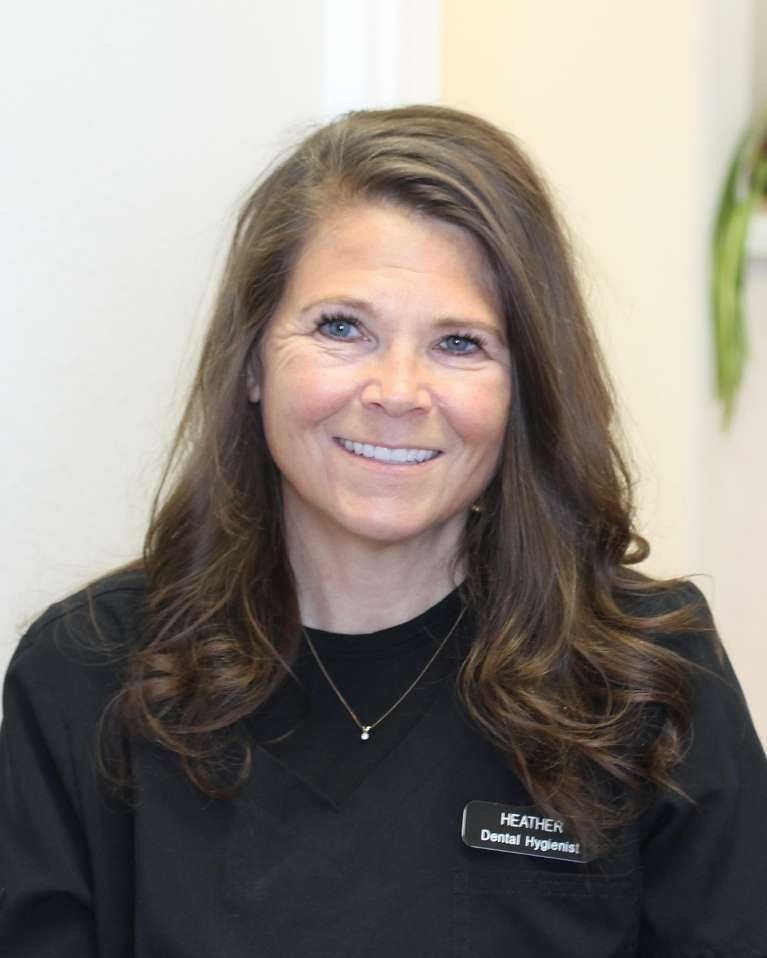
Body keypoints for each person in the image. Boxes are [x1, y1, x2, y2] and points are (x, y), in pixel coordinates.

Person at [1, 104, 765, 958]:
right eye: (342, 328)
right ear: (252, 360)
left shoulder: (648, 680)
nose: (397, 391)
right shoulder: (84, 676)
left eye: (459, 344)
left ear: (526, 388)